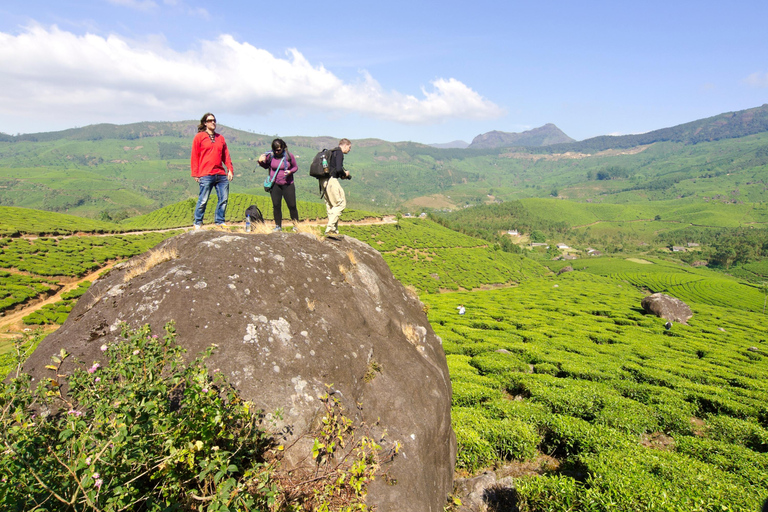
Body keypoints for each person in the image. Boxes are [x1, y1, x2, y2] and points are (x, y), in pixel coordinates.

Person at [190, 113, 234, 228]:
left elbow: (226, 155)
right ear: (205, 123)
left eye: (214, 120)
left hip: (220, 174)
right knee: (203, 200)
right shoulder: (199, 137)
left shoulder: (220, 138)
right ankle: (198, 222)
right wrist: (195, 173)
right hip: (206, 174)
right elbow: (194, 155)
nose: (213, 122)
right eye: (210, 120)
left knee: (223, 199)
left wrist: (230, 169)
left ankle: (220, 221)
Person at [258, 138, 299, 232]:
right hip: (275, 184)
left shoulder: (289, 156)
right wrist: (260, 162)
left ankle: (296, 226)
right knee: (276, 205)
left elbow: (295, 167)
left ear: (283, 148)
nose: (277, 152)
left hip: (288, 184)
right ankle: (278, 226)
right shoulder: (271, 156)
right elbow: (266, 166)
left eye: (279, 150)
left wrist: (290, 172)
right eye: (275, 150)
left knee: (292, 205)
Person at [320, 138, 352, 237]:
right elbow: (338, 169)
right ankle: (329, 229)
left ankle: (333, 231)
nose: (349, 150)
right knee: (341, 204)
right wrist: (345, 174)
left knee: (331, 206)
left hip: (323, 181)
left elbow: (335, 169)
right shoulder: (339, 153)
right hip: (331, 181)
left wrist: (340, 174)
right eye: (349, 147)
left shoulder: (331, 152)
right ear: (345, 145)